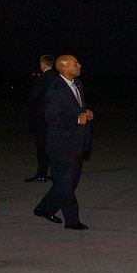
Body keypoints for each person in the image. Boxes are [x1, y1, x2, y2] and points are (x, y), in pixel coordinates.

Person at [33, 55, 93, 230]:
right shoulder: (56, 90)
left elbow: (74, 108)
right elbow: (52, 118)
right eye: (76, 63)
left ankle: (44, 208)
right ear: (65, 68)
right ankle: (72, 220)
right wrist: (76, 120)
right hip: (61, 146)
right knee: (66, 186)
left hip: (76, 143)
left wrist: (85, 112)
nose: (79, 65)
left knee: (66, 183)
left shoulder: (77, 84)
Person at [25, 54, 57, 183]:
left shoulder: (42, 78)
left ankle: (41, 173)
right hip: (54, 117)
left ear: (42, 64)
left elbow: (34, 98)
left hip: (42, 117)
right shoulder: (57, 77)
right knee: (54, 147)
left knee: (42, 146)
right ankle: (56, 173)